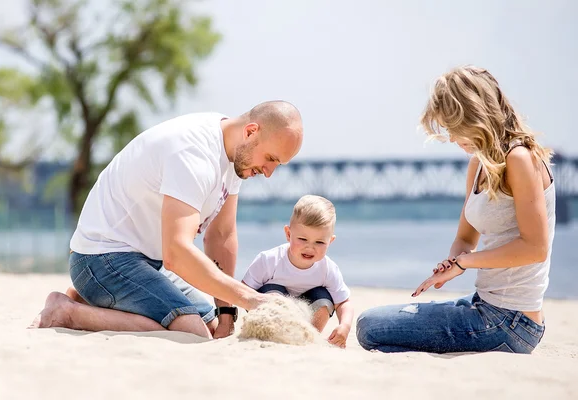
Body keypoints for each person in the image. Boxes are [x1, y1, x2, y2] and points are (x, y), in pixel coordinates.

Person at [30, 101, 304, 339]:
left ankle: (93, 302)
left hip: (148, 262)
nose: (268, 173)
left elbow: (220, 236)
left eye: (277, 164)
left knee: (208, 326)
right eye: (270, 158)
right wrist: (252, 299)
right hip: (102, 258)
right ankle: (69, 313)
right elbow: (177, 253)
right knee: (189, 331)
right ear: (251, 131)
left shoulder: (236, 155)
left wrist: (226, 312)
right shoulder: (193, 153)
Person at [356, 65, 555, 354]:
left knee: (371, 328)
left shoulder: (520, 158)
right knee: (372, 323)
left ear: (473, 115)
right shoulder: (478, 164)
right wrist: (452, 263)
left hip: (511, 321)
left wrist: (466, 263)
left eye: (452, 127)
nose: (450, 138)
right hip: (483, 304)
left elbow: (535, 248)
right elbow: (465, 239)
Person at [242, 195, 354, 348]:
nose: (310, 247)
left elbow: (343, 302)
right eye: (302, 239)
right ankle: (274, 334)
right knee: (272, 292)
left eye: (320, 242)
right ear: (288, 234)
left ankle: (310, 335)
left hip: (307, 317)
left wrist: (345, 326)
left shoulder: (328, 269)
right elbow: (243, 291)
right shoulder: (268, 260)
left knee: (324, 298)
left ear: (330, 241)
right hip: (273, 318)